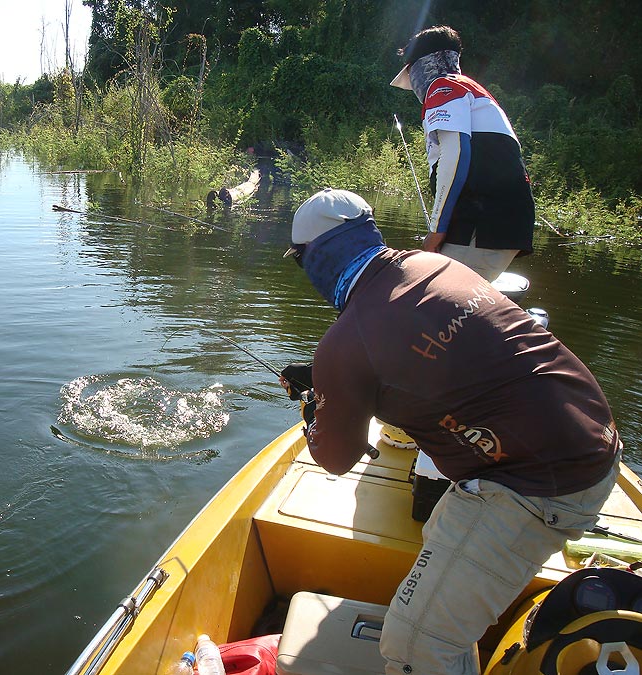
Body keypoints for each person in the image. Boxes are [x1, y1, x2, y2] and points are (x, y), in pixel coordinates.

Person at [281, 188, 621, 675]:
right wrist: (329, 378)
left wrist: (315, 406)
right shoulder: (437, 266)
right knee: (442, 575)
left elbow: (337, 458)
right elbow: (427, 360)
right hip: (594, 432)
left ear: (316, 258)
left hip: (539, 483)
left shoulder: (344, 345)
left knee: (413, 644)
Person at [390, 26, 535, 282]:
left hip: (480, 226)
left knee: (429, 301)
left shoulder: (443, 88)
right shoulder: (475, 91)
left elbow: (454, 156)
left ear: (422, 67)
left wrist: (437, 228)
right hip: (500, 224)